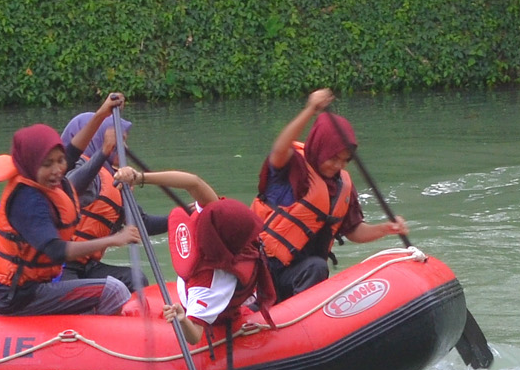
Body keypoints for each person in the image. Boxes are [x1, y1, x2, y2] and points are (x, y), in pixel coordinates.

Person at [0, 94, 141, 316]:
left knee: (128, 281)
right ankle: (91, 332)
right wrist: (114, 239)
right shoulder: (28, 200)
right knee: (113, 290)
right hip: (15, 298)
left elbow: (72, 151)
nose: (58, 170)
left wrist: (102, 113)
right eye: (47, 164)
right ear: (31, 164)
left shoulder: (45, 178)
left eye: (59, 161)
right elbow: (57, 251)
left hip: (36, 286)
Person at [251, 89, 408, 300]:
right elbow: (279, 149)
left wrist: (385, 229)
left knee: (317, 267)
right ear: (320, 148)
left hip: (301, 273)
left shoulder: (342, 185)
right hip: (262, 269)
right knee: (315, 267)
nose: (338, 166)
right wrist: (310, 109)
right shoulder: (293, 168)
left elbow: (353, 231)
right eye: (333, 158)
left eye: (345, 160)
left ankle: (300, 312)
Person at [113, 165, 276, 346]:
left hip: (220, 313)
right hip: (222, 290)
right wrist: (139, 177)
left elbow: (195, 336)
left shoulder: (210, 281)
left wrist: (182, 319)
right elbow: (193, 182)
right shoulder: (216, 218)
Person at [58, 112, 170, 282]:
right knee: (101, 290)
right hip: (60, 267)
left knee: (136, 279)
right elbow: (72, 187)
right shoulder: (74, 170)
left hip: (87, 266)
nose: (125, 148)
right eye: (119, 141)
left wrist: (179, 217)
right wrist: (103, 152)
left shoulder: (114, 178)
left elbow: (141, 223)